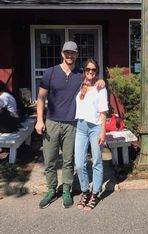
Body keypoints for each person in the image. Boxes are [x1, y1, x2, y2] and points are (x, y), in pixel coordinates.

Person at [35, 41, 104, 209]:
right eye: (67, 52)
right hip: (51, 121)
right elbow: (41, 98)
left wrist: (101, 81)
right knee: (50, 159)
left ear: (77, 55)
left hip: (72, 124)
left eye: (73, 53)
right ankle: (51, 189)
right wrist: (39, 119)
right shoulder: (50, 73)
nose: (70, 55)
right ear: (62, 53)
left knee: (68, 160)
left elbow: (93, 79)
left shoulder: (80, 75)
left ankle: (66, 189)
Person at [75, 58, 108, 211]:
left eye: (93, 69)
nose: (90, 72)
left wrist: (103, 130)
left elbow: (103, 111)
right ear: (84, 70)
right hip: (81, 127)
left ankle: (95, 193)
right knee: (80, 162)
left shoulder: (100, 88)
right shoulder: (79, 84)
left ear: (97, 71)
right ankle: (85, 191)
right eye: (88, 69)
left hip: (95, 127)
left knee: (96, 161)